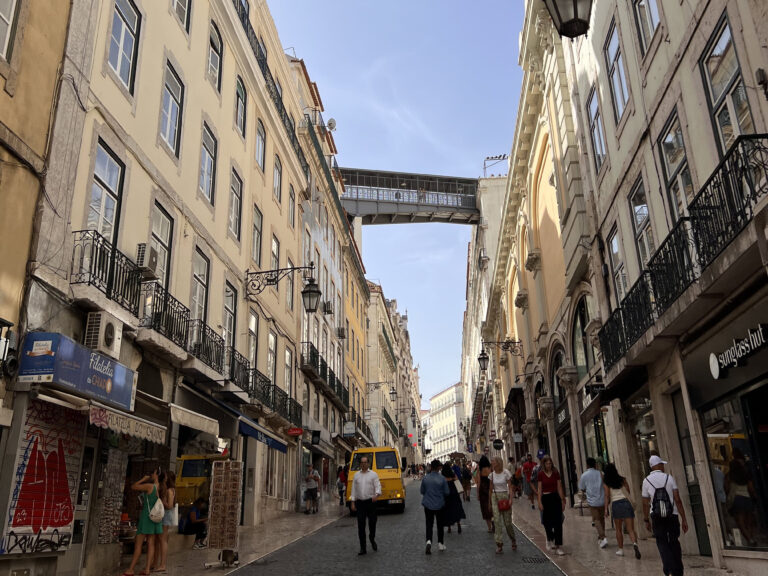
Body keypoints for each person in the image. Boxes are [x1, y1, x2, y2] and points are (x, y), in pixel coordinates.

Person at [642, 455, 689, 576]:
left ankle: (668, 569)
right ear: (657, 465)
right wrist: (683, 518)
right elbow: (677, 499)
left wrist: (646, 519)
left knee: (661, 541)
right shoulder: (669, 478)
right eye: (661, 464)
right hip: (671, 514)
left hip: (656, 516)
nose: (663, 466)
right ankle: (678, 570)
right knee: (674, 540)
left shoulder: (646, 481)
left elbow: (645, 503)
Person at [124, 468, 163, 576]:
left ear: (156, 474)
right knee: (151, 544)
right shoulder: (160, 487)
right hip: (154, 518)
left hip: (146, 517)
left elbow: (133, 486)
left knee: (138, 544)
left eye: (152, 473)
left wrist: (143, 479)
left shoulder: (150, 486)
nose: (150, 474)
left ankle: (131, 569)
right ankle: (147, 570)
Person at [604, 463, 640, 558]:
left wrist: (605, 509)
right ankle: (635, 544)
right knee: (630, 529)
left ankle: (620, 550)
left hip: (616, 505)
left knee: (618, 529)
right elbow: (628, 491)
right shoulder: (622, 479)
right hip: (626, 503)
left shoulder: (606, 482)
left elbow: (607, 496)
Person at [350, 455, 381, 555]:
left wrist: (376, 495)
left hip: (370, 502)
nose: (363, 464)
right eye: (362, 463)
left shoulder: (373, 475)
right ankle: (363, 548)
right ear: (360, 464)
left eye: (365, 462)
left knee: (372, 523)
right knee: (361, 526)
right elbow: (353, 490)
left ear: (368, 463)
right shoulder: (356, 475)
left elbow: (378, 486)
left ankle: (372, 538)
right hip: (360, 503)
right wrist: (352, 502)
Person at [725, 449, 757, 546]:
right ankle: (751, 537)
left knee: (740, 523)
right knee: (749, 521)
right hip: (747, 499)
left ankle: (749, 539)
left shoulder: (729, 476)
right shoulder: (746, 475)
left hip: (736, 500)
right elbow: (751, 488)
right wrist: (754, 497)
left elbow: (726, 488)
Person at [537, 455, 566, 555]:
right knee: (546, 522)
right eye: (547, 463)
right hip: (545, 498)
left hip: (555, 498)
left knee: (558, 522)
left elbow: (559, 487)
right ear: (544, 464)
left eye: (550, 463)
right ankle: (550, 537)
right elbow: (540, 489)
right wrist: (539, 502)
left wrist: (563, 500)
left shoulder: (555, 473)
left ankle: (558, 546)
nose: (549, 465)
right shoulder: (540, 474)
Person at [489, 457, 517, 554]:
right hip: (495, 497)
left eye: (493, 461)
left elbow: (510, 486)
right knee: (496, 521)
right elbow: (490, 488)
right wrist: (489, 502)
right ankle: (499, 544)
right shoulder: (491, 475)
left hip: (505, 496)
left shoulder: (506, 473)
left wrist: (511, 499)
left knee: (507, 523)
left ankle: (513, 539)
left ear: (498, 463)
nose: (492, 463)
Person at [421, 459, 450, 554]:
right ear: (438, 468)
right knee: (439, 524)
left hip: (428, 504)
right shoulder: (442, 479)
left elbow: (422, 491)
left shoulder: (425, 478)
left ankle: (428, 541)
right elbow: (447, 492)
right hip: (439, 504)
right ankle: (440, 543)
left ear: (431, 467)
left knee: (429, 524)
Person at [579, 457, 607, 549]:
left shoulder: (584, 475)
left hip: (592, 501)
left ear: (587, 465)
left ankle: (603, 537)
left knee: (596, 519)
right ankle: (601, 537)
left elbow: (582, 488)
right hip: (602, 500)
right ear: (595, 464)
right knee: (601, 518)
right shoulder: (601, 473)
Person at [155, 470, 176, 572]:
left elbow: (170, 506)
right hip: (166, 516)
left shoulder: (169, 491)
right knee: (161, 539)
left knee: (163, 540)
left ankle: (162, 564)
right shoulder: (170, 490)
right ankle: (159, 563)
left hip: (166, 516)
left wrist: (162, 501)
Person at [441, 460, 466, 534]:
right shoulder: (452, 474)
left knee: (447, 510)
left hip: (446, 494)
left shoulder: (442, 475)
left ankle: (449, 527)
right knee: (456, 508)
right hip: (454, 493)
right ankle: (458, 524)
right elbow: (457, 480)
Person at [474, 455, 494, 532]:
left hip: (483, 490)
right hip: (490, 488)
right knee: (492, 505)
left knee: (485, 508)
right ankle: (493, 520)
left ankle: (489, 528)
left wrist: (478, 493)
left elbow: (478, 482)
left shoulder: (480, 470)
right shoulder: (490, 469)